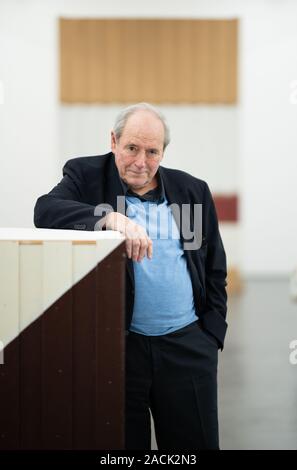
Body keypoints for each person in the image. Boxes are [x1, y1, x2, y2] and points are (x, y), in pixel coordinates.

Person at [34, 103, 227, 450]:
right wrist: (108, 218)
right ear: (114, 141)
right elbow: (45, 211)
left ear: (163, 151)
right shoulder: (86, 176)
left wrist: (211, 334)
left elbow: (212, 265)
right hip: (119, 349)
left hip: (188, 347)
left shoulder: (190, 192)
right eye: (132, 148)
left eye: (152, 152)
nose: (141, 161)